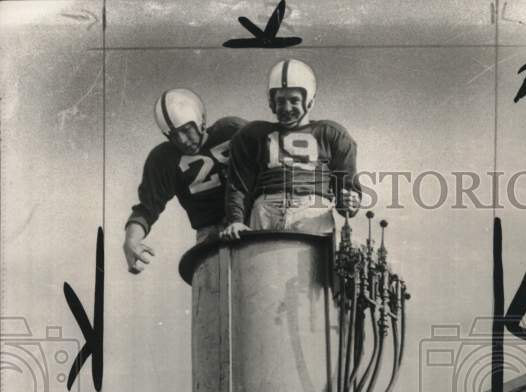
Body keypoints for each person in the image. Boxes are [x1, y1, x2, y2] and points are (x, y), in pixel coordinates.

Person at [222, 59, 361, 241]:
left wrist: (350, 202)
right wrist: (236, 220)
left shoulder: (331, 133)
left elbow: (347, 190)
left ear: (309, 101)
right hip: (265, 210)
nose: (286, 108)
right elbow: (239, 186)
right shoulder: (253, 135)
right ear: (272, 102)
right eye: (281, 101)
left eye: (294, 100)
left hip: (312, 212)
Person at [123, 89, 245, 274]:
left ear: (200, 121)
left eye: (187, 130)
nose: (182, 140)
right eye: (174, 135)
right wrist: (131, 241)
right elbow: (147, 207)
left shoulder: (231, 130)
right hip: (210, 234)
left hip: (247, 221)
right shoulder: (164, 158)